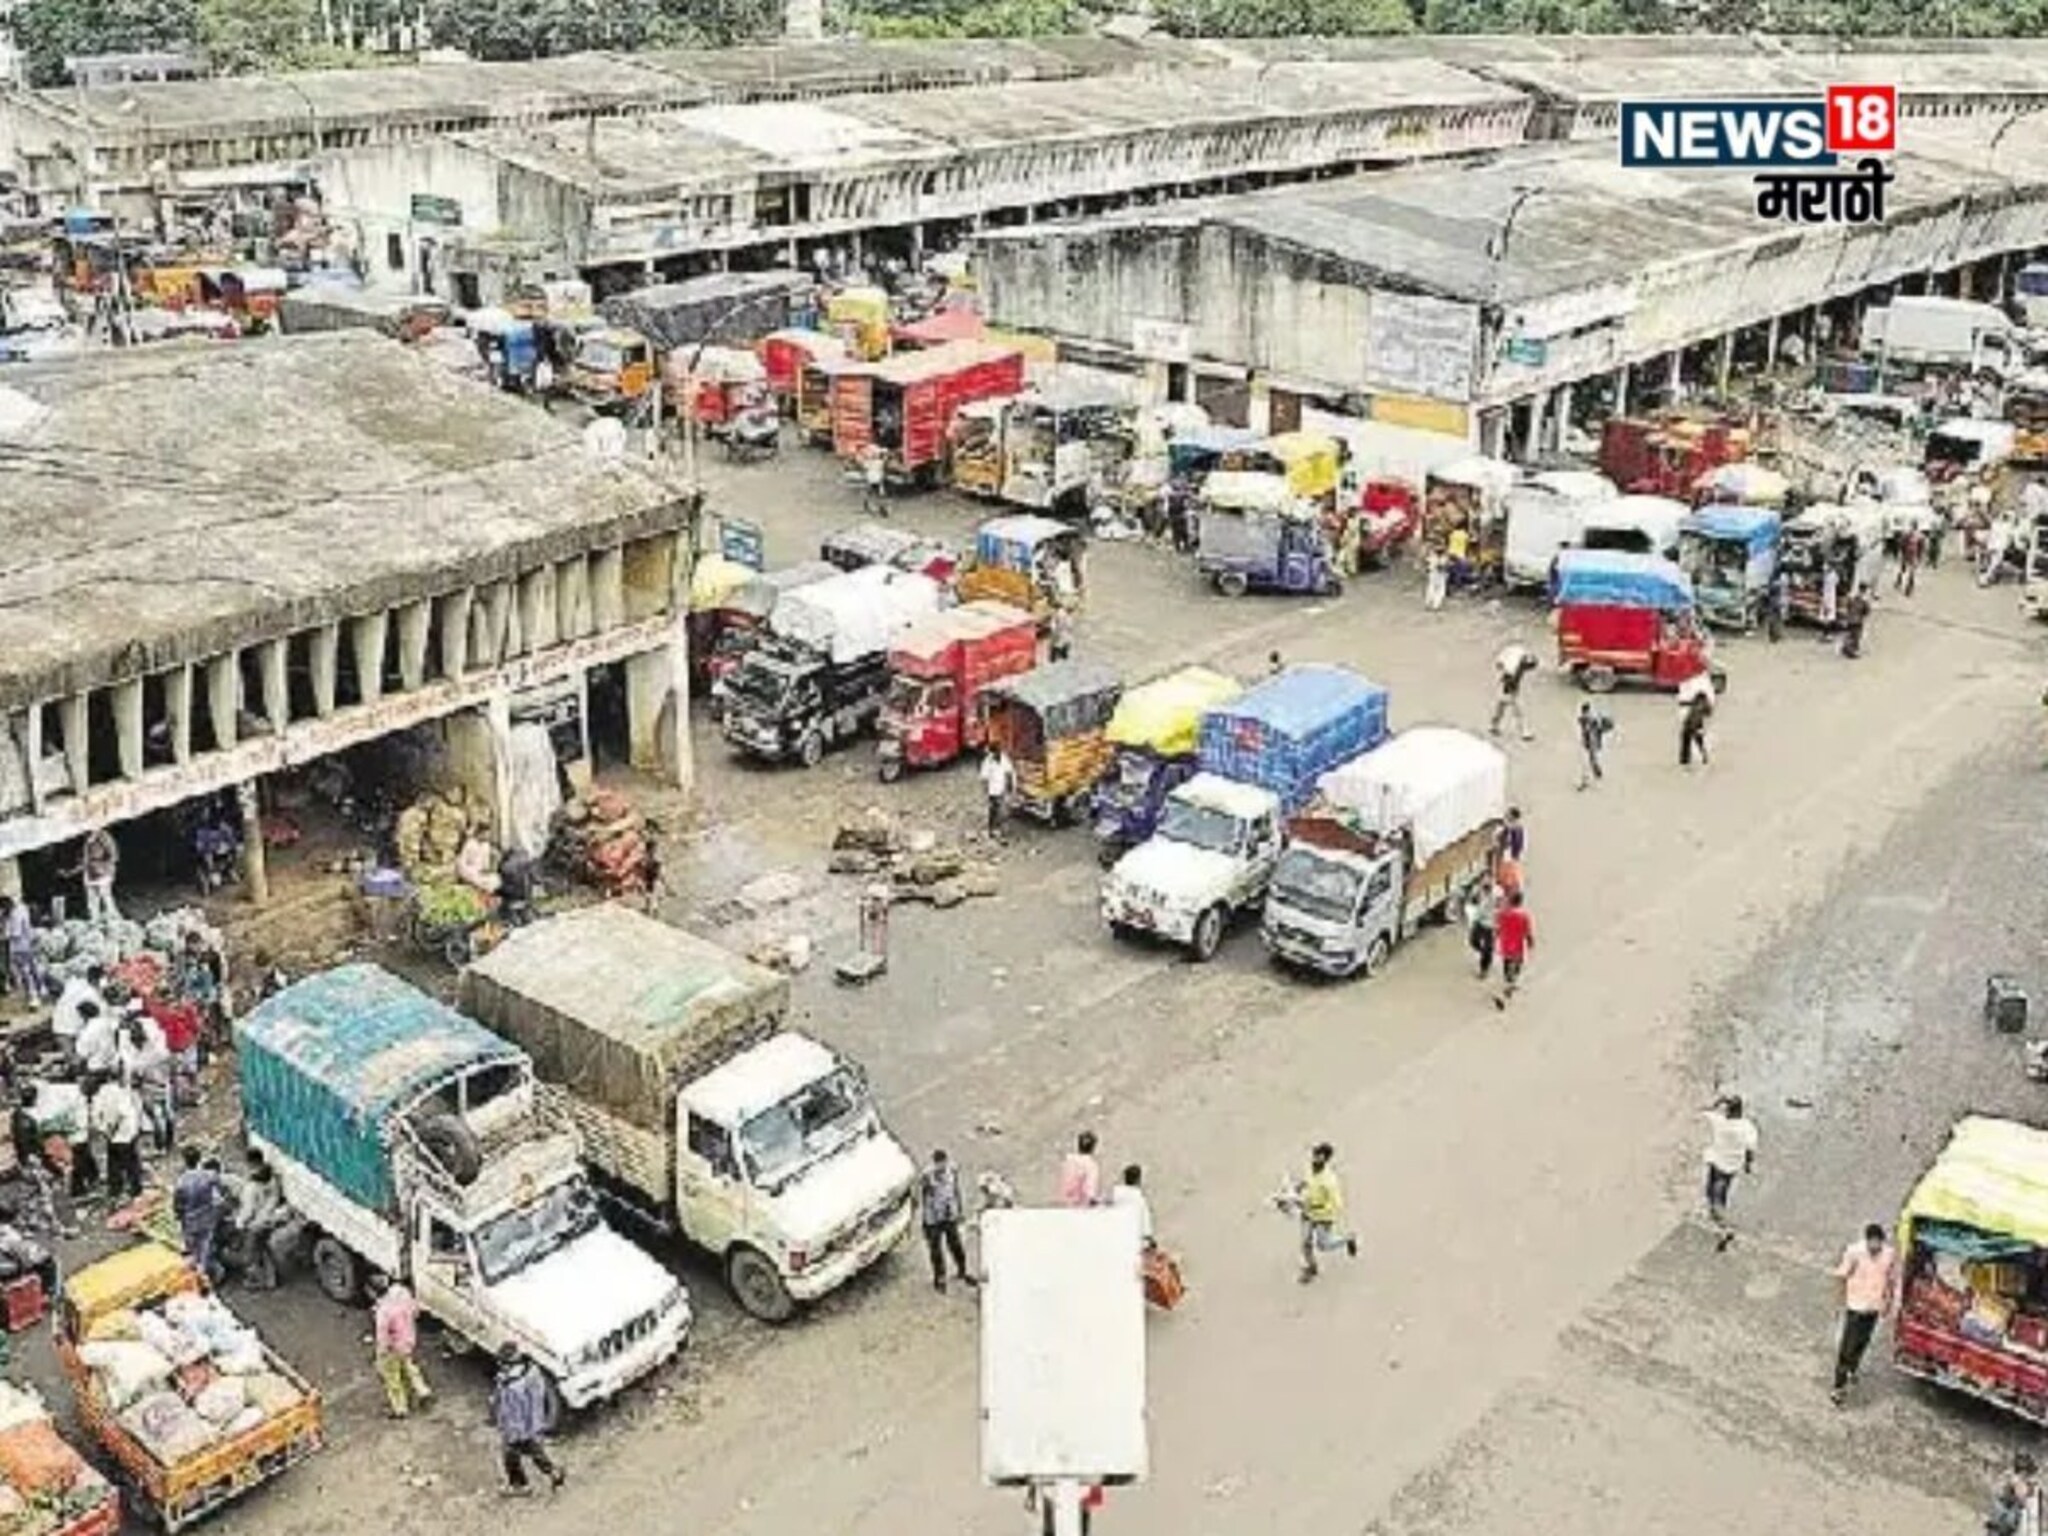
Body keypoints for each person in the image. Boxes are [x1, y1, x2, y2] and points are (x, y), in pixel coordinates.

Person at [1830, 1222, 1898, 1405]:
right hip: (1855, 1306)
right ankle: (1838, 1386)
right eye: (1872, 1243)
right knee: (1848, 1346)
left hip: (1874, 1307)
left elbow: (1891, 1280)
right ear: (1867, 1241)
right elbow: (1841, 1275)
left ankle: (1853, 1368)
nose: (1875, 1247)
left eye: (1878, 1244)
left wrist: (1888, 1302)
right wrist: (1840, 1302)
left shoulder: (1889, 1255)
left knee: (1863, 1341)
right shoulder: (1854, 1252)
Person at [490, 1345, 565, 1496]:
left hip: (517, 1427)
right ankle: (553, 1473)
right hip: (526, 1427)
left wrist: (500, 1419)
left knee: (510, 1454)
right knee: (533, 1450)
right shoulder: (531, 1372)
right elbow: (536, 1404)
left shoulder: (511, 1382)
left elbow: (509, 1406)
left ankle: (520, 1486)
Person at [1291, 1142, 1358, 1282]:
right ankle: (1311, 1267)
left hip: (1323, 1217)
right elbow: (1306, 1181)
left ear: (1325, 1159)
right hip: (1307, 1214)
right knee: (1305, 1243)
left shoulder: (1330, 1181)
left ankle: (1348, 1239)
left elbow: (1336, 1205)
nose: (1315, 1159)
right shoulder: (1309, 1169)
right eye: (1314, 1155)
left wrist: (1315, 1209)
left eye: (1319, 1157)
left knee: (1324, 1245)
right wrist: (1298, 1187)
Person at [369, 1273, 433, 1416]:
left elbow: (383, 1336)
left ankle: (400, 1408)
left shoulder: (383, 1312)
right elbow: (416, 1311)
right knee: (409, 1365)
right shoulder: (402, 1292)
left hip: (393, 1347)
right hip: (408, 1339)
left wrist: (380, 1353)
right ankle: (422, 1390)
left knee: (392, 1377)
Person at [234, 1150, 298, 1290]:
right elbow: (275, 1196)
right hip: (272, 1218)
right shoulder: (272, 1178)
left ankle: (260, 1280)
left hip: (256, 1224)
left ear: (250, 1163)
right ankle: (272, 1279)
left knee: (253, 1254)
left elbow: (248, 1210)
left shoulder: (252, 1187)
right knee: (265, 1250)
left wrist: (239, 1223)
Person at [1700, 1095, 1758, 1249]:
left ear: (1727, 1110)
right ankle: (1720, 1220)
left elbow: (1705, 1111)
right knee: (1721, 1193)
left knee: (1713, 1198)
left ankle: (1725, 1228)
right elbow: (1750, 1150)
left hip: (1717, 1164)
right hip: (1732, 1166)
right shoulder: (1748, 1127)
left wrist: (1718, 1101)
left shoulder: (1720, 1122)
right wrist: (1747, 1165)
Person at [916, 1149, 974, 1294]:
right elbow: (922, 1198)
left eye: (943, 1163)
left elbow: (955, 1191)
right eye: (939, 1164)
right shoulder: (926, 1176)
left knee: (956, 1245)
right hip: (933, 1219)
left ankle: (962, 1270)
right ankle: (940, 1278)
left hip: (949, 1215)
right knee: (936, 1251)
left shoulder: (952, 1171)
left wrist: (959, 1211)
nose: (941, 1166)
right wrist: (925, 1223)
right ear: (934, 1163)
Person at [172, 1146, 226, 1282]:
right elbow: (220, 1189)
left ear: (184, 1161)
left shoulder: (181, 1182)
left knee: (193, 1248)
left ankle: (201, 1276)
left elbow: (178, 1204)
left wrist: (178, 1215)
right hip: (208, 1215)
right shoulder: (209, 1175)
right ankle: (210, 1272)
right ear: (199, 1159)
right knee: (206, 1245)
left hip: (190, 1218)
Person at [91, 1074, 143, 1204]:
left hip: (112, 1136)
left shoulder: (99, 1095)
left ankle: (115, 1190)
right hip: (126, 1134)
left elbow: (95, 1117)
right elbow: (129, 1112)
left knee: (113, 1164)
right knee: (131, 1163)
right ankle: (135, 1189)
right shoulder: (123, 1092)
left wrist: (104, 1130)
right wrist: (136, 1130)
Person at [1488, 643, 1537, 742]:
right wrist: (1510, 688)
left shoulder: (1521, 656)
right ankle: (1524, 732)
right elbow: (1508, 675)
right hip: (1507, 685)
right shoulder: (1512, 665)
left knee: (1502, 707)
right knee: (1513, 708)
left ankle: (1494, 726)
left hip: (1509, 684)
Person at [1493, 889, 1533, 1010]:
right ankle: (1508, 990)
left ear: (1510, 901)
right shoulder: (1524, 916)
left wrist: (1496, 939)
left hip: (1505, 947)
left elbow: (1497, 929)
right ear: (1520, 902)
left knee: (1507, 966)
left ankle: (1508, 985)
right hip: (1517, 948)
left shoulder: (1502, 914)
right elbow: (1527, 933)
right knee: (1516, 968)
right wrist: (1530, 943)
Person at [50, 966, 105, 1052]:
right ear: (96, 980)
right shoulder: (92, 994)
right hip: (74, 1030)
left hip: (57, 1025)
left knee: (72, 1056)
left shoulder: (73, 983)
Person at [0, 900, 44, 1005]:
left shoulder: (14, 915)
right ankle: (41, 990)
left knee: (25, 973)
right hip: (28, 943)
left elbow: (15, 933)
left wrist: (3, 935)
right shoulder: (21, 907)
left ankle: (33, 998)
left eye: (4, 908)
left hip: (19, 947)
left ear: (7, 906)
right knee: (33, 968)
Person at [77, 829, 119, 925]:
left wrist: (103, 868)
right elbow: (84, 858)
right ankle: (94, 919)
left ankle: (114, 920)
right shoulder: (86, 838)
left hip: (102, 873)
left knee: (105, 896)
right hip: (90, 872)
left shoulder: (103, 837)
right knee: (92, 898)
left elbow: (114, 856)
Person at [1111, 1163, 1154, 1248]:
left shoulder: (1115, 1193)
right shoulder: (1139, 1198)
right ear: (1138, 1180)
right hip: (1132, 1237)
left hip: (1116, 1233)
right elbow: (1145, 1225)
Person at [1465, 879, 1501, 979]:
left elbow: (1500, 908)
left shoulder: (1497, 894)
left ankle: (1484, 970)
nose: (1485, 890)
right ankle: (1483, 953)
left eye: (1487, 888)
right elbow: (1472, 901)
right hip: (1479, 921)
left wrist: (1498, 925)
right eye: (1484, 888)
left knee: (1488, 948)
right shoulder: (1478, 891)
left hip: (1491, 925)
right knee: (1473, 941)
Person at [979, 745, 1015, 840]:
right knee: (993, 811)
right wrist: (986, 792)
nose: (993, 755)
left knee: (1003, 811)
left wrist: (1009, 788)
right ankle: (991, 829)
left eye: (995, 752)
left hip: (1002, 790)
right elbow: (984, 779)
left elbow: (1009, 773)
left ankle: (1001, 830)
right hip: (993, 791)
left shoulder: (1004, 759)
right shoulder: (987, 762)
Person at [1058, 1131, 1101, 1208]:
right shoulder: (1090, 1164)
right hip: (1081, 1206)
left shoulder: (1068, 1161)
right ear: (1093, 1147)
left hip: (1065, 1204)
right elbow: (1089, 1188)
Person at [1576, 701, 1611, 789]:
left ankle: (1587, 779)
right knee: (1590, 760)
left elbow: (1603, 727)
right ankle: (1593, 774)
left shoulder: (1593, 721)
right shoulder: (1585, 720)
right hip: (1590, 743)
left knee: (1589, 761)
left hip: (1592, 743)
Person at [1679, 690, 1712, 769]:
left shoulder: (1697, 707)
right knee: (1696, 743)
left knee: (1693, 743)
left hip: (1692, 726)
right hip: (1692, 726)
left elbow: (1706, 713)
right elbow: (1707, 713)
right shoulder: (1697, 706)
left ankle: (1686, 760)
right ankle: (1701, 758)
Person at [1840, 585, 1871, 659]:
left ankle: (1845, 648)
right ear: (1865, 590)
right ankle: (1851, 651)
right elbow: (1867, 611)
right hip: (1857, 620)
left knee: (1850, 634)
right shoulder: (1864, 599)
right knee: (1855, 636)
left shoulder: (1853, 597)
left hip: (1850, 619)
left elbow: (1848, 606)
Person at [860, 443, 888, 517]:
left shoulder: (869, 462)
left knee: (870, 493)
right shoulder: (879, 462)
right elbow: (884, 460)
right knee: (879, 495)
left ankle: (866, 505)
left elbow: (864, 466)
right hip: (877, 480)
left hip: (871, 479)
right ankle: (882, 510)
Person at [1765, 567, 1788, 643]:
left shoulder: (1773, 580)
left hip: (1774, 600)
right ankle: (1775, 635)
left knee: (1774, 619)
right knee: (1776, 619)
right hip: (1777, 600)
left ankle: (1774, 636)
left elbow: (1769, 590)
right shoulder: (1782, 580)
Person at [1820, 563, 1840, 627]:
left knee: (1829, 609)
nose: (1825, 571)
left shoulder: (1834, 575)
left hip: (1830, 594)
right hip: (1826, 594)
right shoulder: (1826, 575)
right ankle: (1826, 623)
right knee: (1825, 609)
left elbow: (1836, 582)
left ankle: (1828, 625)